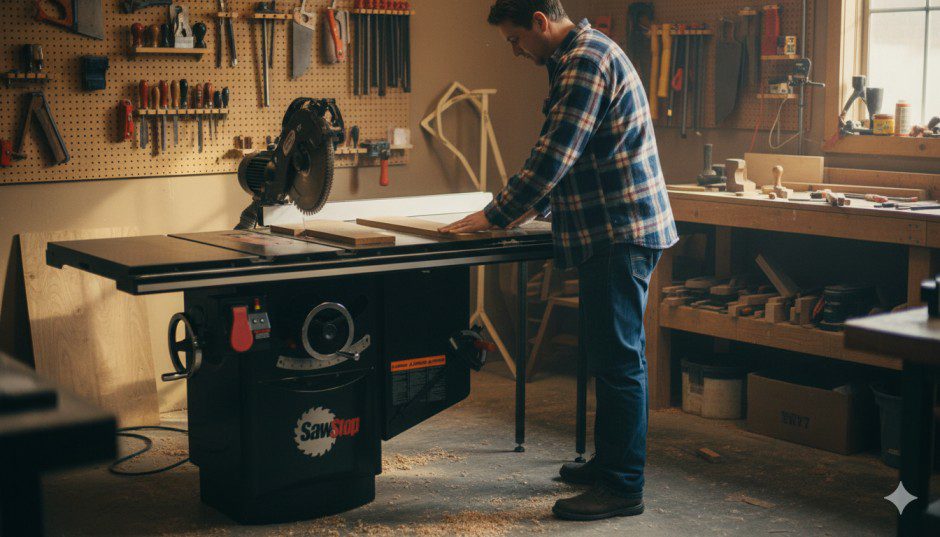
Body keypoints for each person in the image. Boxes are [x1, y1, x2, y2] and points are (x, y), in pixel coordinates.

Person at [439, 0, 678, 521]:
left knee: (619, 364)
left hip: (621, 230)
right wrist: (531, 209)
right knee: (610, 358)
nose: (515, 50)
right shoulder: (573, 59)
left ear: (540, 23)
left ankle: (622, 486)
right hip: (610, 229)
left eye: (515, 40)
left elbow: (555, 154)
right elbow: (572, 154)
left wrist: (498, 214)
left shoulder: (586, 62)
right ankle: (609, 464)